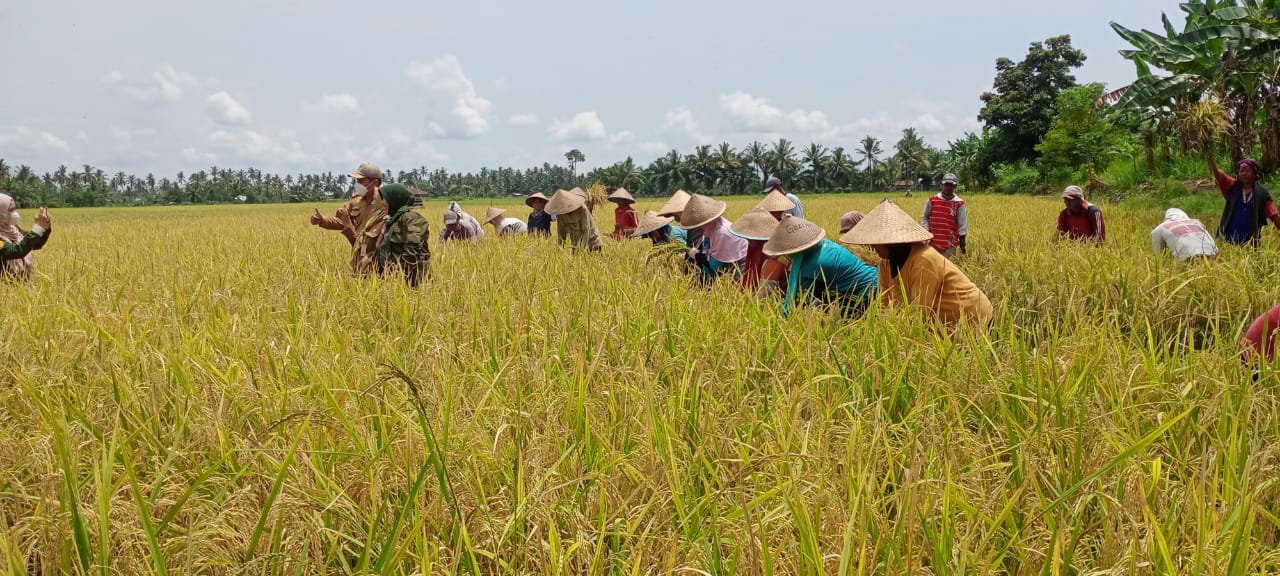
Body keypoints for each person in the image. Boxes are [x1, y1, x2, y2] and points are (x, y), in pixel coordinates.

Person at [841, 201, 992, 328]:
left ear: (889, 241)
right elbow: (884, 305)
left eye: (875, 241)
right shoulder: (885, 265)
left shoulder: (924, 260)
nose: (872, 247)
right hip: (942, 326)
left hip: (972, 319)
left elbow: (919, 314)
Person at [763, 215, 878, 317]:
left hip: (869, 295)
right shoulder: (825, 244)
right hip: (877, 279)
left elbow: (799, 305)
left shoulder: (810, 266)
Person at [310, 162, 388, 275]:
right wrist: (322, 220)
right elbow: (343, 222)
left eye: (361, 181)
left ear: (374, 182)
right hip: (358, 249)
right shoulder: (355, 202)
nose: (357, 184)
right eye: (357, 181)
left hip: (377, 254)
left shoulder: (385, 203)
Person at [1209, 156, 1280, 245]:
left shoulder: (1262, 194)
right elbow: (1219, 175)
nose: (1244, 174)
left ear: (1254, 174)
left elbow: (1274, 215)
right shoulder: (1232, 187)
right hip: (1227, 242)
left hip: (1249, 245)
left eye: (1247, 171)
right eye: (1241, 171)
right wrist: (1210, 156)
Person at [680, 194, 747, 284]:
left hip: (741, 260)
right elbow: (708, 255)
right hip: (727, 261)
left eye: (699, 224)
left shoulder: (721, 232)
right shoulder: (710, 229)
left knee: (739, 287)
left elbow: (716, 266)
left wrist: (697, 256)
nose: (698, 227)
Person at [377, 184, 431, 286]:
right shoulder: (392, 220)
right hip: (392, 280)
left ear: (395, 199)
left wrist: (401, 276)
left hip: (412, 281)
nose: (382, 202)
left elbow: (412, 251)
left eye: (385, 199)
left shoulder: (411, 218)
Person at [729, 207, 785, 293]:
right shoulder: (755, 249)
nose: (747, 240)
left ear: (760, 239)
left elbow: (765, 291)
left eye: (749, 237)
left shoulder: (774, 257)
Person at [0, 194, 52, 281]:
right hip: (6, 286)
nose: (15, 214)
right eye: (10, 210)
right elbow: (16, 250)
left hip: (23, 283)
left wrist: (44, 227)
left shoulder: (14, 229)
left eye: (14, 209)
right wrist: (38, 228)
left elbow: (34, 244)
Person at [922, 173, 967, 258]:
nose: (948, 188)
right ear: (941, 185)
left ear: (955, 187)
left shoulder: (959, 203)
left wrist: (962, 243)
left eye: (951, 185)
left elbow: (962, 224)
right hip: (932, 242)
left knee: (947, 269)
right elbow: (925, 217)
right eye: (946, 185)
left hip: (950, 244)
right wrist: (926, 232)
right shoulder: (932, 200)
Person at [1152, 208, 1218, 263]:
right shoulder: (1197, 223)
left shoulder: (1160, 228)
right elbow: (1215, 248)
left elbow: (1159, 257)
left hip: (1187, 259)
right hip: (1210, 257)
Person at [546, 187, 602, 251]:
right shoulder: (560, 214)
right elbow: (561, 235)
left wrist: (581, 250)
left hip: (592, 242)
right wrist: (559, 251)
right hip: (575, 244)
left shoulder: (582, 209)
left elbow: (586, 231)